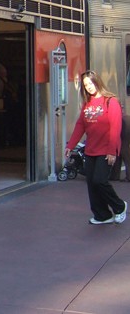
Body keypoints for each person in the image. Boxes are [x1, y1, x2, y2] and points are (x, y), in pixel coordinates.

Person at [65, 70, 128, 225]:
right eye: (86, 85)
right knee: (91, 183)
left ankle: (120, 206)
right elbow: (80, 125)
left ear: (97, 82)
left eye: (91, 83)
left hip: (106, 149)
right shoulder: (87, 104)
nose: (89, 87)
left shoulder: (110, 101)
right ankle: (102, 215)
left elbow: (115, 127)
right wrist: (70, 145)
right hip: (91, 149)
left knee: (99, 180)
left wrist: (112, 151)